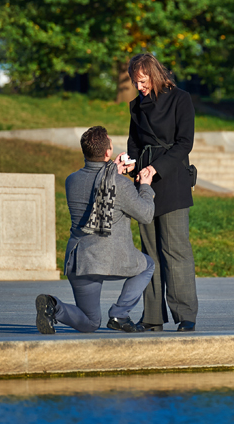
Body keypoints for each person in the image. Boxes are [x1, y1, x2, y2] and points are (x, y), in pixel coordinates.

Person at [34, 126, 156, 334]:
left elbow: (97, 185)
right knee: (148, 266)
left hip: (79, 259)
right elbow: (145, 214)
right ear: (108, 152)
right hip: (110, 257)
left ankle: (54, 307)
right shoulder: (120, 184)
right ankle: (120, 313)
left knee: (90, 322)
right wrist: (144, 186)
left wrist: (112, 170)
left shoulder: (71, 180)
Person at [125, 53, 198, 332]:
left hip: (172, 178)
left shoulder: (181, 99)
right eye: (135, 82)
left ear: (154, 75)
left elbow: (184, 143)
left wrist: (156, 168)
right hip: (144, 182)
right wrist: (129, 165)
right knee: (149, 252)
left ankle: (185, 315)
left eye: (142, 81)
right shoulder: (137, 104)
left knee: (176, 250)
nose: (139, 87)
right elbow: (134, 142)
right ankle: (152, 317)